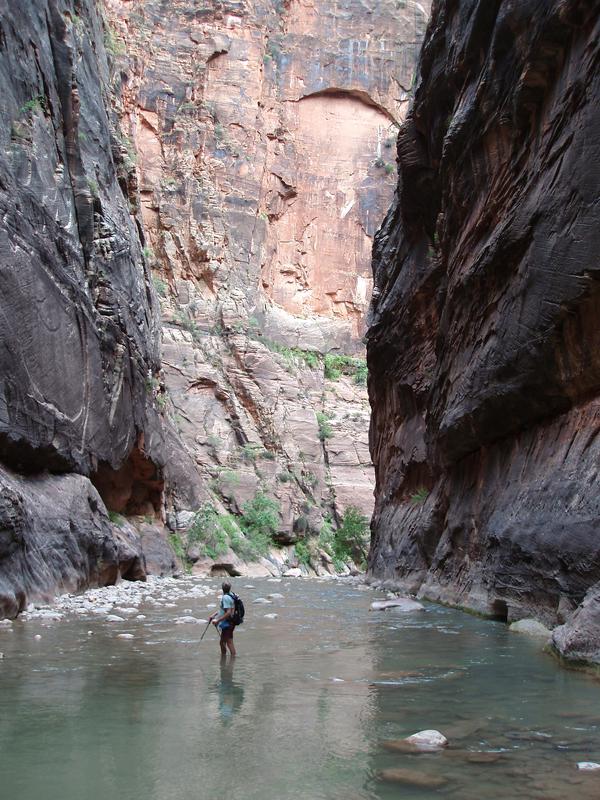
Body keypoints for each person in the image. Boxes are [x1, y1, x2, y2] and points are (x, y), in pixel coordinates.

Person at [210, 581, 237, 657]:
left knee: (227, 642)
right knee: (224, 642)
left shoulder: (225, 597)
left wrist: (217, 621)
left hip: (228, 623)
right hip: (231, 622)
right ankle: (225, 659)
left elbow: (228, 612)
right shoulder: (231, 595)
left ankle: (231, 660)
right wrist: (214, 615)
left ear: (222, 588)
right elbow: (224, 609)